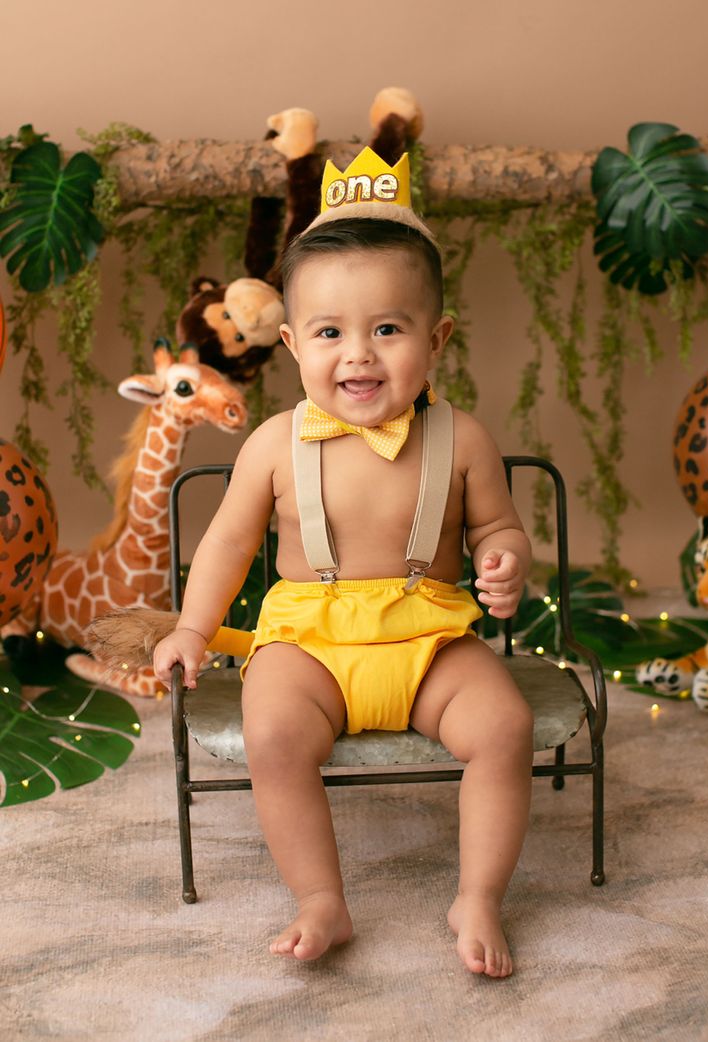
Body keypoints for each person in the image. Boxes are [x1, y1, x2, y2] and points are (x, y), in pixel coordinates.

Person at [154, 152, 534, 978]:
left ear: (436, 339)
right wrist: (191, 626)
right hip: (309, 642)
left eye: (387, 330)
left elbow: (496, 526)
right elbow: (225, 542)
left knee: (504, 725)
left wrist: (502, 559)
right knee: (273, 733)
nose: (357, 355)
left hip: (427, 636)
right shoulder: (273, 444)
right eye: (330, 333)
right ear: (292, 344)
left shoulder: (461, 439)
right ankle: (320, 896)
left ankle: (478, 892)